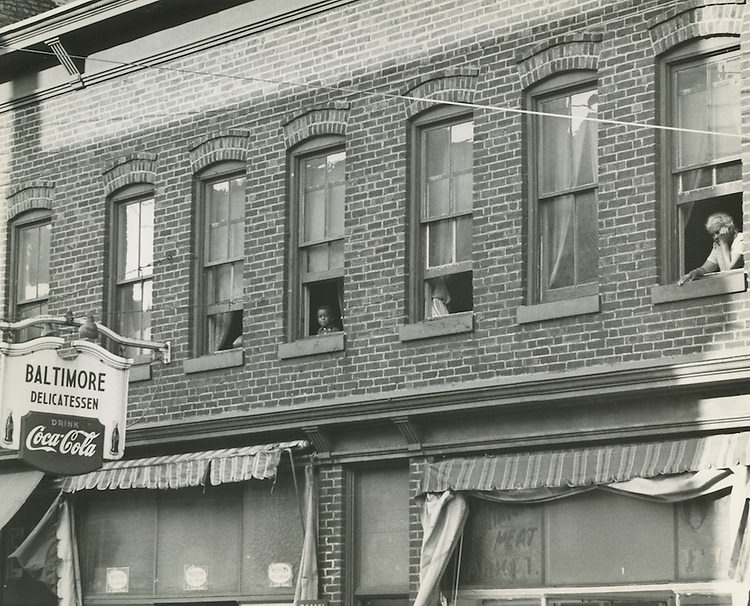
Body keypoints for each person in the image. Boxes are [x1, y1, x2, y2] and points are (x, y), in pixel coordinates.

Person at [678, 212, 744, 285]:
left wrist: (723, 243)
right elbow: (707, 268)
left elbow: (729, 269)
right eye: (713, 234)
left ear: (730, 228)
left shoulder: (741, 239)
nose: (715, 237)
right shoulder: (718, 245)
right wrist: (693, 273)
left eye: (717, 232)